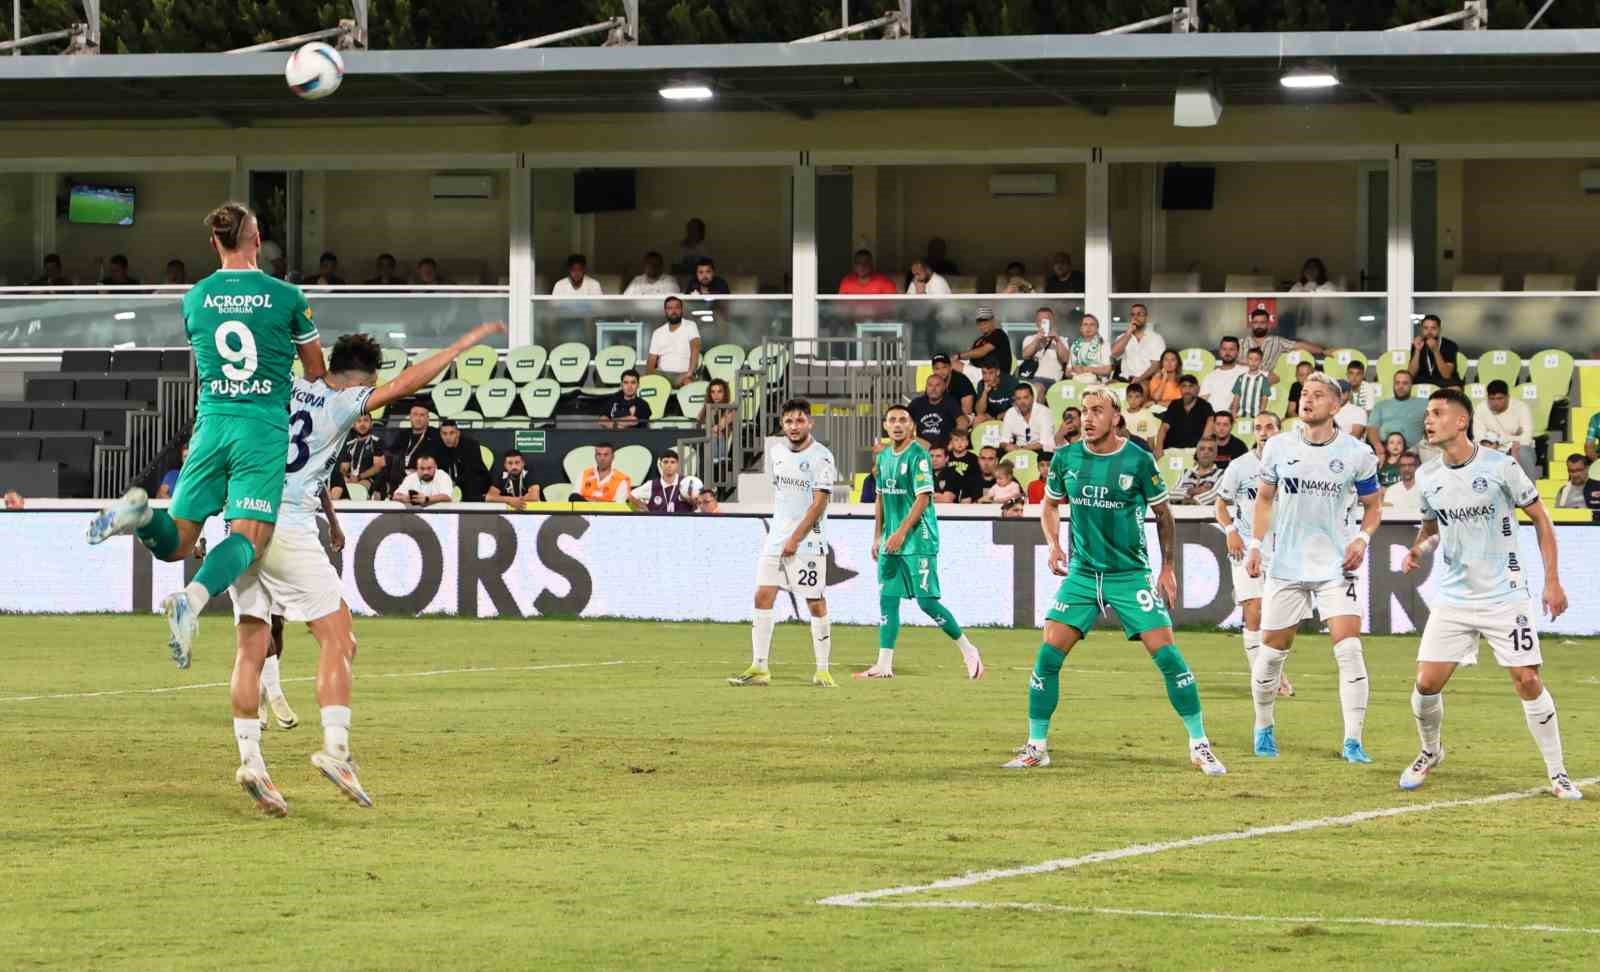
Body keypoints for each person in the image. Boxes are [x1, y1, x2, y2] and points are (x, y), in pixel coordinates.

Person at [220, 322, 504, 815]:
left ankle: (252, 764)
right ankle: (337, 750)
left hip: (243, 518)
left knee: (251, 645)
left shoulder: (287, 385)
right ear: (361, 378)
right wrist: (458, 347)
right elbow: (407, 384)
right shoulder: (347, 400)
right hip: (287, 524)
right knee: (338, 637)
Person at [87, 202, 325, 670]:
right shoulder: (287, 296)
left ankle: (140, 512)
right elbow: (315, 372)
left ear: (214, 242)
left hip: (210, 422)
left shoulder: (194, 299)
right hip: (261, 427)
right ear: (258, 241)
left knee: (176, 541)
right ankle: (191, 601)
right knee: (250, 538)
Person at [1002, 385, 1224, 775]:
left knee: (1169, 657)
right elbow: (1050, 505)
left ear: (1116, 417)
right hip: (1083, 574)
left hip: (1129, 574)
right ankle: (1036, 746)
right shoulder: (1066, 458)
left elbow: (1164, 514)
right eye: (1083, 411)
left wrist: (1167, 567)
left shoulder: (1138, 460)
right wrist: (1053, 544)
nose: (1087, 418)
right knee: (1047, 656)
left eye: (1096, 411)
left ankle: (1199, 744)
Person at [1398, 388, 1578, 799]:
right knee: (1426, 684)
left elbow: (1541, 519)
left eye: (1438, 413)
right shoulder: (1428, 476)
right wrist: (1417, 550)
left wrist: (1552, 580)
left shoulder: (1500, 466)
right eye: (1427, 413)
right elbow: (1432, 528)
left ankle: (1558, 773)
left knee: (1528, 679)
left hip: (1505, 595)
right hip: (1456, 598)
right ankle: (1430, 751)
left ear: (1461, 422)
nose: (1429, 420)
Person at [1244, 371, 1382, 765]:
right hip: (1286, 565)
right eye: (1304, 393)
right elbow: (1265, 500)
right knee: (1271, 655)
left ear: (1335, 406)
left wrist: (1362, 539)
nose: (1307, 399)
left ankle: (1353, 740)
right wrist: (1256, 544)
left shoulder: (1357, 453)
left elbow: (1373, 506)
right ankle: (1263, 727)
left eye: (1318, 395)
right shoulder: (1278, 446)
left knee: (1350, 650)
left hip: (1337, 567)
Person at [857, 405, 985, 680]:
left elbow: (923, 498)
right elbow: (880, 497)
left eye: (903, 419)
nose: (897, 424)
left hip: (918, 540)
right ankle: (883, 664)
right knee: (887, 600)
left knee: (927, 603)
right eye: (892, 420)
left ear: (912, 425)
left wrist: (901, 533)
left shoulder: (919, 455)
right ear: (885, 425)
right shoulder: (883, 459)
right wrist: (877, 535)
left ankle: (969, 650)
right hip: (891, 540)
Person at [729, 399, 835, 687]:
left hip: (808, 541)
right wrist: (782, 537)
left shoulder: (822, 457)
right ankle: (760, 667)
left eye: (800, 421)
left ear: (810, 423)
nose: (794, 426)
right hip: (776, 539)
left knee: (814, 602)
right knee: (762, 596)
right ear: (782, 425)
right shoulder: (775, 453)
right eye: (789, 421)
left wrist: (795, 538)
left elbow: (818, 505)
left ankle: (823, 669)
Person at [1216, 411, 1295, 699]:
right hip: (1246, 547)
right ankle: (1263, 680)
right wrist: (1230, 531)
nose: (1263, 432)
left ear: (1280, 430)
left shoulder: (1293, 465)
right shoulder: (1239, 466)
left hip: (1283, 551)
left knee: (1279, 621)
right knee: (1254, 608)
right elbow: (1220, 504)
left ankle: (1274, 672)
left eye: (1269, 427)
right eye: (1259, 427)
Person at [1474, 379, 1536, 480]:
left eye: (1499, 398)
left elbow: (1526, 439)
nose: (1495, 403)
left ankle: (1531, 493)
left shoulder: (1521, 407)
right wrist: (1514, 436)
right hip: (1491, 449)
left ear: (1508, 397)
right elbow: (1479, 438)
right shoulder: (1481, 408)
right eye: (1492, 399)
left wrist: (1498, 439)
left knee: (1523, 452)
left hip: (1518, 448)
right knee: (1478, 453)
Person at [1367, 370, 1429, 460]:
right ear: (1393, 385)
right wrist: (1378, 446)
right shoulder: (1381, 405)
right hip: (1384, 449)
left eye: (1405, 383)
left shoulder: (1424, 404)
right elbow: (1371, 428)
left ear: (1411, 385)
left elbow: (1434, 424)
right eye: (1397, 383)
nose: (1400, 386)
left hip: (1412, 451)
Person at [1244, 307, 1323, 377]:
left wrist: (1323, 351)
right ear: (1252, 324)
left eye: (1262, 323)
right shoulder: (1241, 343)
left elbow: (1299, 345)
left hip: (1267, 382)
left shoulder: (1277, 341)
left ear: (1268, 324)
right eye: (1256, 322)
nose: (1259, 326)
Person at [645, 296, 701, 388]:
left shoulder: (690, 326)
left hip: (683, 375)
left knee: (690, 385)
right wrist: (649, 379)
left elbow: (696, 347)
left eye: (677, 307)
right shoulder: (658, 332)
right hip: (662, 376)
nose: (674, 311)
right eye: (670, 308)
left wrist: (689, 373)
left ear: (681, 310)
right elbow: (651, 359)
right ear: (665, 311)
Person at [1153, 375, 1215, 457]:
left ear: (1197, 389)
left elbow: (1209, 429)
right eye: (1184, 386)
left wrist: (1201, 448)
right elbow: (1164, 427)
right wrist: (1158, 447)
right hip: (1172, 449)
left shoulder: (1205, 406)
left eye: (1191, 386)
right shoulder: (1174, 404)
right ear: (1180, 389)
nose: (1187, 390)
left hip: (1194, 450)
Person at [388, 404, 445, 489]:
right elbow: (391, 452)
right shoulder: (403, 435)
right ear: (410, 417)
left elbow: (438, 458)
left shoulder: (435, 435)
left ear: (428, 418)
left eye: (422, 415)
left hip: (424, 478)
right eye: (415, 414)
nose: (418, 419)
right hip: (401, 477)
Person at [627, 451, 700, 514]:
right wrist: (645, 509)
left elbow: (699, 502)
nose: (669, 465)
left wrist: (693, 502)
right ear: (660, 464)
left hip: (683, 526)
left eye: (672, 462)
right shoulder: (652, 484)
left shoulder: (686, 482)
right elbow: (631, 495)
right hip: (658, 527)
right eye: (665, 462)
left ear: (677, 465)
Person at [435, 420, 489, 502]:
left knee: (472, 482)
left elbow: (472, 471)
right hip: (452, 482)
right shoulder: (439, 447)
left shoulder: (471, 445)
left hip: (474, 481)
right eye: (444, 434)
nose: (448, 437)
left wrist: (455, 482)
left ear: (458, 433)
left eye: (451, 433)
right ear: (440, 434)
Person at [1112, 302, 1165, 384]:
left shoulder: (1156, 338)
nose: (1135, 317)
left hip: (1147, 380)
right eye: (1133, 315)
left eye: (1139, 314)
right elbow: (1114, 353)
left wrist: (1139, 379)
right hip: (1125, 380)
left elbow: (1156, 365)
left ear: (1146, 318)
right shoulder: (1123, 337)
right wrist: (1128, 333)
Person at [951, 307, 1013, 376]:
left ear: (992, 321)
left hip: (996, 374)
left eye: (986, 321)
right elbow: (973, 358)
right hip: (980, 372)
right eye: (980, 322)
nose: (983, 324)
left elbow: (982, 351)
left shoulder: (998, 334)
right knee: (951, 365)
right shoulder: (979, 340)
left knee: (954, 365)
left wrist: (959, 356)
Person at [339, 412, 386, 499]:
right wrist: (347, 476)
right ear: (354, 425)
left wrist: (359, 477)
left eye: (366, 420)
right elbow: (344, 467)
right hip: (352, 479)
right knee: (337, 489)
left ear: (371, 424)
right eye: (359, 421)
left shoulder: (376, 442)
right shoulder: (349, 445)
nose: (362, 424)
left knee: (358, 490)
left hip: (369, 480)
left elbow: (378, 467)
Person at [908, 372, 962, 447]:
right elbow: (904, 421)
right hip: (922, 447)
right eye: (930, 385)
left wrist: (954, 442)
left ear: (944, 387)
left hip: (943, 448)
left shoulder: (950, 402)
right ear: (926, 387)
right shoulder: (917, 403)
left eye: (937, 385)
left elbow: (963, 422)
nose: (933, 389)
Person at [1000, 382, 1054, 456]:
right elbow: (1004, 440)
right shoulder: (1011, 413)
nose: (1022, 402)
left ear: (1032, 398)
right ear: (1015, 400)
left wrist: (1021, 449)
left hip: (1040, 451)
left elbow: (1045, 442)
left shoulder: (1044, 412)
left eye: (1025, 397)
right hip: (1017, 451)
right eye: (1018, 399)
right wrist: (1006, 446)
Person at [1020, 307, 1070, 386]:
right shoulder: (1030, 339)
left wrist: (1057, 340)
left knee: (1038, 386)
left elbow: (1065, 359)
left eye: (1046, 320)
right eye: (1040, 320)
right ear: (1036, 323)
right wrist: (1037, 340)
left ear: (1052, 322)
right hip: (1032, 379)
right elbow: (1025, 355)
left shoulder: (1061, 340)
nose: (1043, 323)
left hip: (1053, 381)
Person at [1409, 314, 1461, 387]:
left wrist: (1436, 351)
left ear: (1439, 329)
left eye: (1433, 328)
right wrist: (1417, 350)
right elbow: (1411, 374)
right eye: (1426, 328)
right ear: (1421, 329)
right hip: (1422, 383)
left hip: (1444, 383)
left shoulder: (1450, 345)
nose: (1429, 331)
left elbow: (1446, 375)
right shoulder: (1418, 343)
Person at [1199, 337, 1247, 414]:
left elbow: (1271, 378)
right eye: (1224, 349)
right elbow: (1202, 401)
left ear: (1238, 352)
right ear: (1220, 351)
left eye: (1231, 349)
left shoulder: (1247, 371)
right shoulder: (1210, 376)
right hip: (1213, 418)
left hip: (1238, 418)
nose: (1227, 353)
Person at [1174, 439, 1223, 505]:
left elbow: (1217, 495)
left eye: (1210, 449)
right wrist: (1191, 491)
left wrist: (1195, 500)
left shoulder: (1222, 474)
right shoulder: (1185, 473)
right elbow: (1171, 494)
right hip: (1182, 514)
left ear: (1215, 455)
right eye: (1202, 449)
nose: (1206, 452)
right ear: (1197, 453)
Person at [929, 353, 977, 420]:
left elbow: (967, 410)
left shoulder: (961, 381)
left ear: (950, 368)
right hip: (945, 415)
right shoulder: (933, 381)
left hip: (966, 416)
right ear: (933, 370)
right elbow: (928, 404)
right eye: (937, 368)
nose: (941, 371)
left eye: (944, 367)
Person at [1065, 313, 1111, 381]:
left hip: (1098, 383)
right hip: (1077, 382)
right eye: (1085, 324)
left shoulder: (1103, 344)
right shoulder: (1075, 345)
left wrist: (1086, 369)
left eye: (1092, 324)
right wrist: (1074, 371)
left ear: (1097, 329)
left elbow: (1107, 370)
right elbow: (1067, 372)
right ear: (1081, 328)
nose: (1088, 327)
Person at [1230, 347, 1272, 419]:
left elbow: (1264, 399)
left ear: (1261, 361)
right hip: (1240, 415)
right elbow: (1236, 397)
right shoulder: (1241, 378)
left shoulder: (1264, 380)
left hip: (1256, 416)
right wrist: (1233, 412)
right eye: (1250, 359)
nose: (1253, 362)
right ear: (1247, 360)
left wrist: (1261, 415)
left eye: (1256, 359)